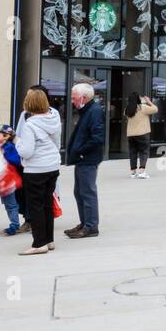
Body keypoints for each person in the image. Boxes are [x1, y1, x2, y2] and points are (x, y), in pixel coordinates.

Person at [15, 88, 62, 255]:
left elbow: (26, 151)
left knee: (35, 206)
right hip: (52, 164)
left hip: (35, 168)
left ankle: (39, 243)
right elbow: (57, 142)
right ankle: (49, 240)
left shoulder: (30, 124)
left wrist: (16, 142)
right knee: (47, 204)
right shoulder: (54, 117)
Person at [64, 82, 104, 239]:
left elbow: (97, 138)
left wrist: (80, 151)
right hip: (82, 159)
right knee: (79, 192)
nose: (72, 101)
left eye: (74, 98)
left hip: (87, 159)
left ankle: (91, 226)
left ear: (84, 98)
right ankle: (85, 222)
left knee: (87, 192)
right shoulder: (86, 110)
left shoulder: (94, 111)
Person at [125, 93, 158, 179]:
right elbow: (155, 109)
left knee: (133, 153)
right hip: (142, 133)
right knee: (144, 152)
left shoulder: (127, 109)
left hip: (131, 134)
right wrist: (149, 101)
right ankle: (142, 171)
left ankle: (133, 172)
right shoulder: (142, 107)